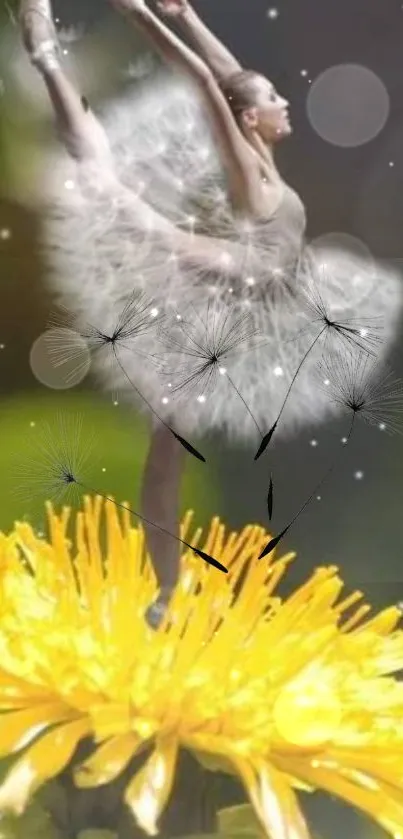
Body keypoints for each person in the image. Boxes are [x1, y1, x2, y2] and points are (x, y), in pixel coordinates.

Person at [19, 0, 402, 623]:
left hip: (231, 288)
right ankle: (43, 54)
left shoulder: (265, 158)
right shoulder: (250, 169)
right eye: (274, 98)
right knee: (97, 171)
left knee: (169, 457)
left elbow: (227, 75)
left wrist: (187, 13)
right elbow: (207, 83)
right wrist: (140, 13)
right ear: (252, 118)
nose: (286, 103)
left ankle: (167, 591)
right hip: (199, 289)